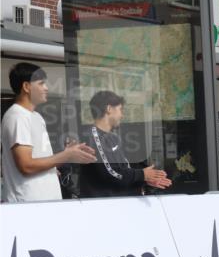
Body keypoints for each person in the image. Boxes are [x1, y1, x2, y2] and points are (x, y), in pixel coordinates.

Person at [1, 63, 95, 202]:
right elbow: (26, 165)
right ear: (26, 87)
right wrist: (65, 155)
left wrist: (68, 156)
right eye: (41, 83)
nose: (46, 88)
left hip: (47, 203)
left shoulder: (37, 117)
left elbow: (42, 162)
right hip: (27, 205)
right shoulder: (17, 117)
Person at [79, 90, 171, 198]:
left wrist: (144, 180)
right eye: (120, 110)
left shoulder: (113, 138)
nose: (122, 115)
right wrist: (142, 175)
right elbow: (110, 173)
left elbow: (123, 172)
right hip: (103, 207)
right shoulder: (92, 137)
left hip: (120, 204)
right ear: (109, 109)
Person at [57, 135, 81, 199]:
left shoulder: (82, 158)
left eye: (72, 144)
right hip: (66, 195)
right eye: (67, 143)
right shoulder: (60, 158)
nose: (69, 146)